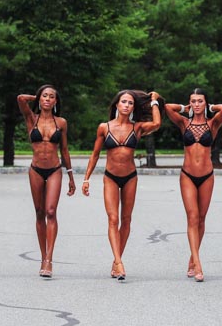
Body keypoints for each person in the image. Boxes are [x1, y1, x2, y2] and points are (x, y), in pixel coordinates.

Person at [82, 90, 161, 281]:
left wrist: (154, 101)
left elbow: (157, 124)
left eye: (130, 103)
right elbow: (95, 154)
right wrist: (86, 178)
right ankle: (118, 262)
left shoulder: (138, 127)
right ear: (116, 104)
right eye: (123, 102)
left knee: (126, 220)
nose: (126, 105)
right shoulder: (104, 127)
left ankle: (116, 262)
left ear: (133, 107)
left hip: (130, 177)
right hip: (110, 177)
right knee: (113, 219)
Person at [164, 90, 222, 282]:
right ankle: (198, 264)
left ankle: (192, 258)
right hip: (187, 176)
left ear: (205, 103)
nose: (197, 104)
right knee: (192, 217)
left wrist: (211, 107)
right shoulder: (184, 123)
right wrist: (184, 108)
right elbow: (167, 107)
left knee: (201, 219)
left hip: (207, 176)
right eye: (193, 101)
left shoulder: (212, 124)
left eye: (200, 101)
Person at [17, 86, 77, 278]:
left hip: (54, 170)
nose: (48, 99)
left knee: (51, 211)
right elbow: (20, 98)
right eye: (45, 96)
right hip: (35, 170)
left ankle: (48, 260)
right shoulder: (31, 119)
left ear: (56, 101)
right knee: (39, 212)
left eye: (52, 97)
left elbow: (64, 150)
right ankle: (43, 256)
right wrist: (37, 97)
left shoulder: (61, 122)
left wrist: (70, 175)